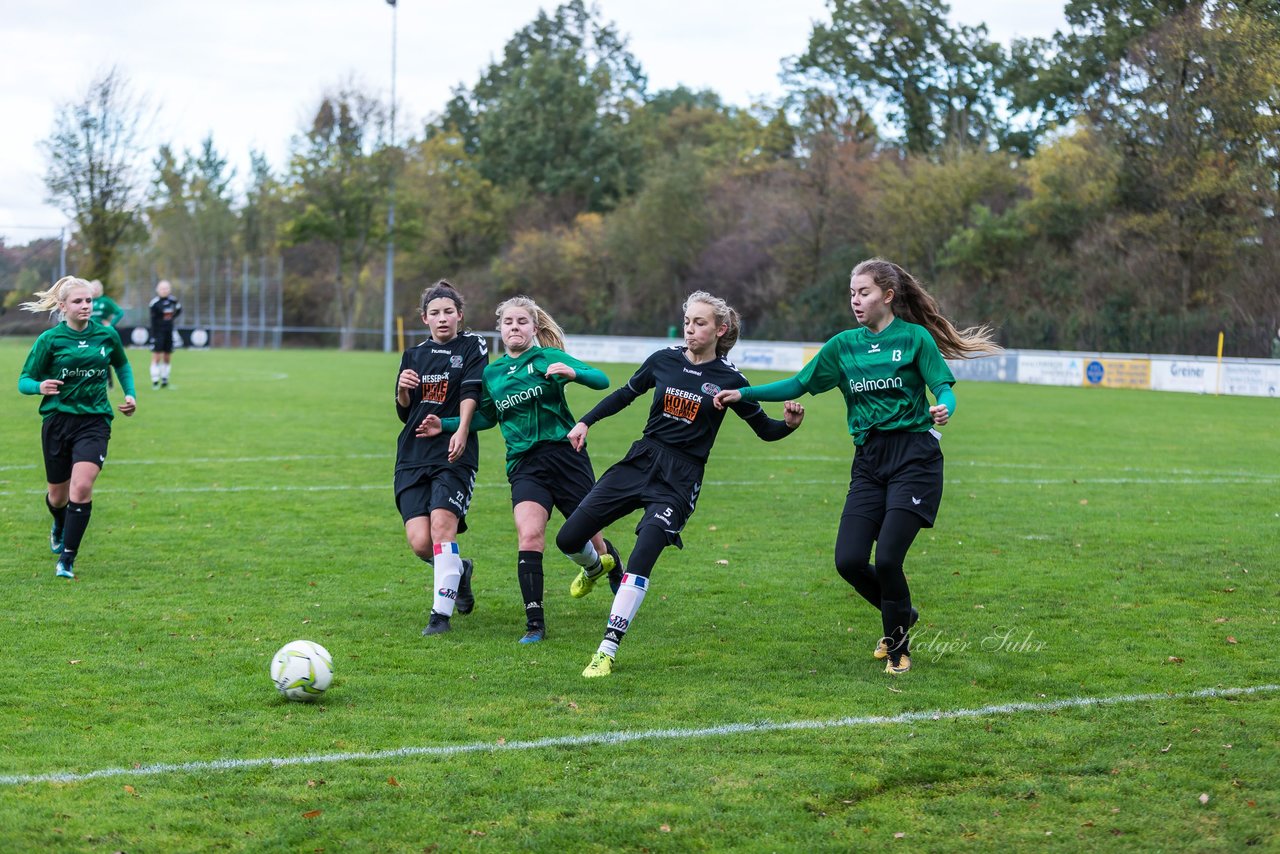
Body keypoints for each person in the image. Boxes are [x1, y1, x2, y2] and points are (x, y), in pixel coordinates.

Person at [714, 258, 1001, 675]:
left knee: (886, 560)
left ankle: (899, 646)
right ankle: (902, 611)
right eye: (851, 293)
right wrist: (744, 393)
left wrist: (944, 409)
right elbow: (798, 384)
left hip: (914, 459)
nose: (855, 300)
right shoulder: (843, 346)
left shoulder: (915, 338)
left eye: (863, 292)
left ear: (888, 295)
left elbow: (942, 387)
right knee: (848, 561)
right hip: (868, 461)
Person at [554, 291, 805, 678]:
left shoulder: (730, 379)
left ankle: (607, 649)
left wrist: (787, 425)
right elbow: (625, 394)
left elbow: (765, 430)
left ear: (720, 330)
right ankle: (596, 566)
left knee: (644, 555)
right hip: (641, 460)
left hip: (680, 478)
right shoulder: (663, 360)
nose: (690, 329)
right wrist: (586, 421)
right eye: (688, 321)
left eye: (699, 323)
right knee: (568, 538)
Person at [418, 296, 621, 644]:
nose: (515, 327)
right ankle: (535, 625)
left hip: (566, 456)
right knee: (529, 535)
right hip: (524, 464)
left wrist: (574, 373)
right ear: (500, 328)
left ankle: (615, 581)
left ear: (534, 328)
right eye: (509, 322)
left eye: (522, 322)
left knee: (591, 537)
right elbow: (486, 416)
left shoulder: (547, 357)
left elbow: (601, 380)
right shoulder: (492, 373)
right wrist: (448, 425)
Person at [17, 276, 138, 580]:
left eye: (88, 301)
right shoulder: (50, 340)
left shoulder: (107, 335)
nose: (85, 306)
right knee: (57, 498)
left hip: (95, 421)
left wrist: (129, 393)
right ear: (63, 306)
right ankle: (58, 523)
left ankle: (67, 559)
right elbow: (24, 381)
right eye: (78, 302)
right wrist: (39, 386)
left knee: (81, 487)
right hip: (58, 422)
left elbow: (121, 364)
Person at [395, 280, 489, 637]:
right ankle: (460, 571)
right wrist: (403, 391)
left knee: (441, 528)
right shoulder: (413, 355)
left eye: (449, 311)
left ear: (460, 315)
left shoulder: (472, 346)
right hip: (412, 455)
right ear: (425, 318)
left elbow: (471, 392)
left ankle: (439, 617)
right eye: (435, 313)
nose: (442, 318)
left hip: (453, 453)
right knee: (420, 542)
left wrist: (462, 430)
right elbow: (406, 414)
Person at [148, 280, 182, 389]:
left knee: (167, 356)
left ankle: (165, 380)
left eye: (166, 288)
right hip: (158, 333)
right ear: (158, 290)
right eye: (162, 288)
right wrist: (153, 335)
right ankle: (155, 381)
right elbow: (153, 321)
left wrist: (171, 318)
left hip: (169, 332)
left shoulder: (173, 301)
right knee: (157, 357)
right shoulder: (154, 303)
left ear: (170, 289)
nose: (164, 290)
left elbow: (179, 310)